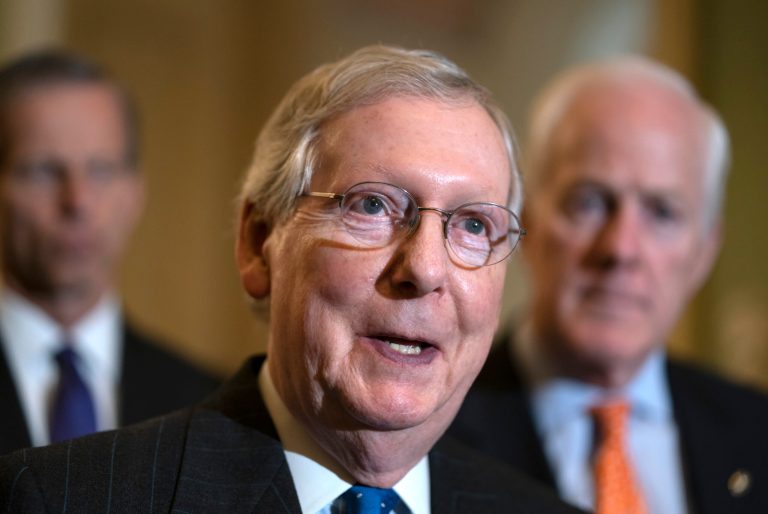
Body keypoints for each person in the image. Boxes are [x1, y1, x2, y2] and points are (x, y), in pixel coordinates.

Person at [0, 45, 584, 513]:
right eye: (373, 207)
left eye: (474, 224)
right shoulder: (60, 498)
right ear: (259, 245)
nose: (425, 269)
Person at [449, 56, 768, 514]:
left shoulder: (757, 431)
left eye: (662, 212)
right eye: (589, 202)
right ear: (529, 222)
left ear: (704, 251)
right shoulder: (431, 430)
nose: (620, 249)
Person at [0, 50, 218, 455]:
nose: (77, 201)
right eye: (43, 171)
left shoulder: (209, 408)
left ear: (136, 192)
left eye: (101, 170)